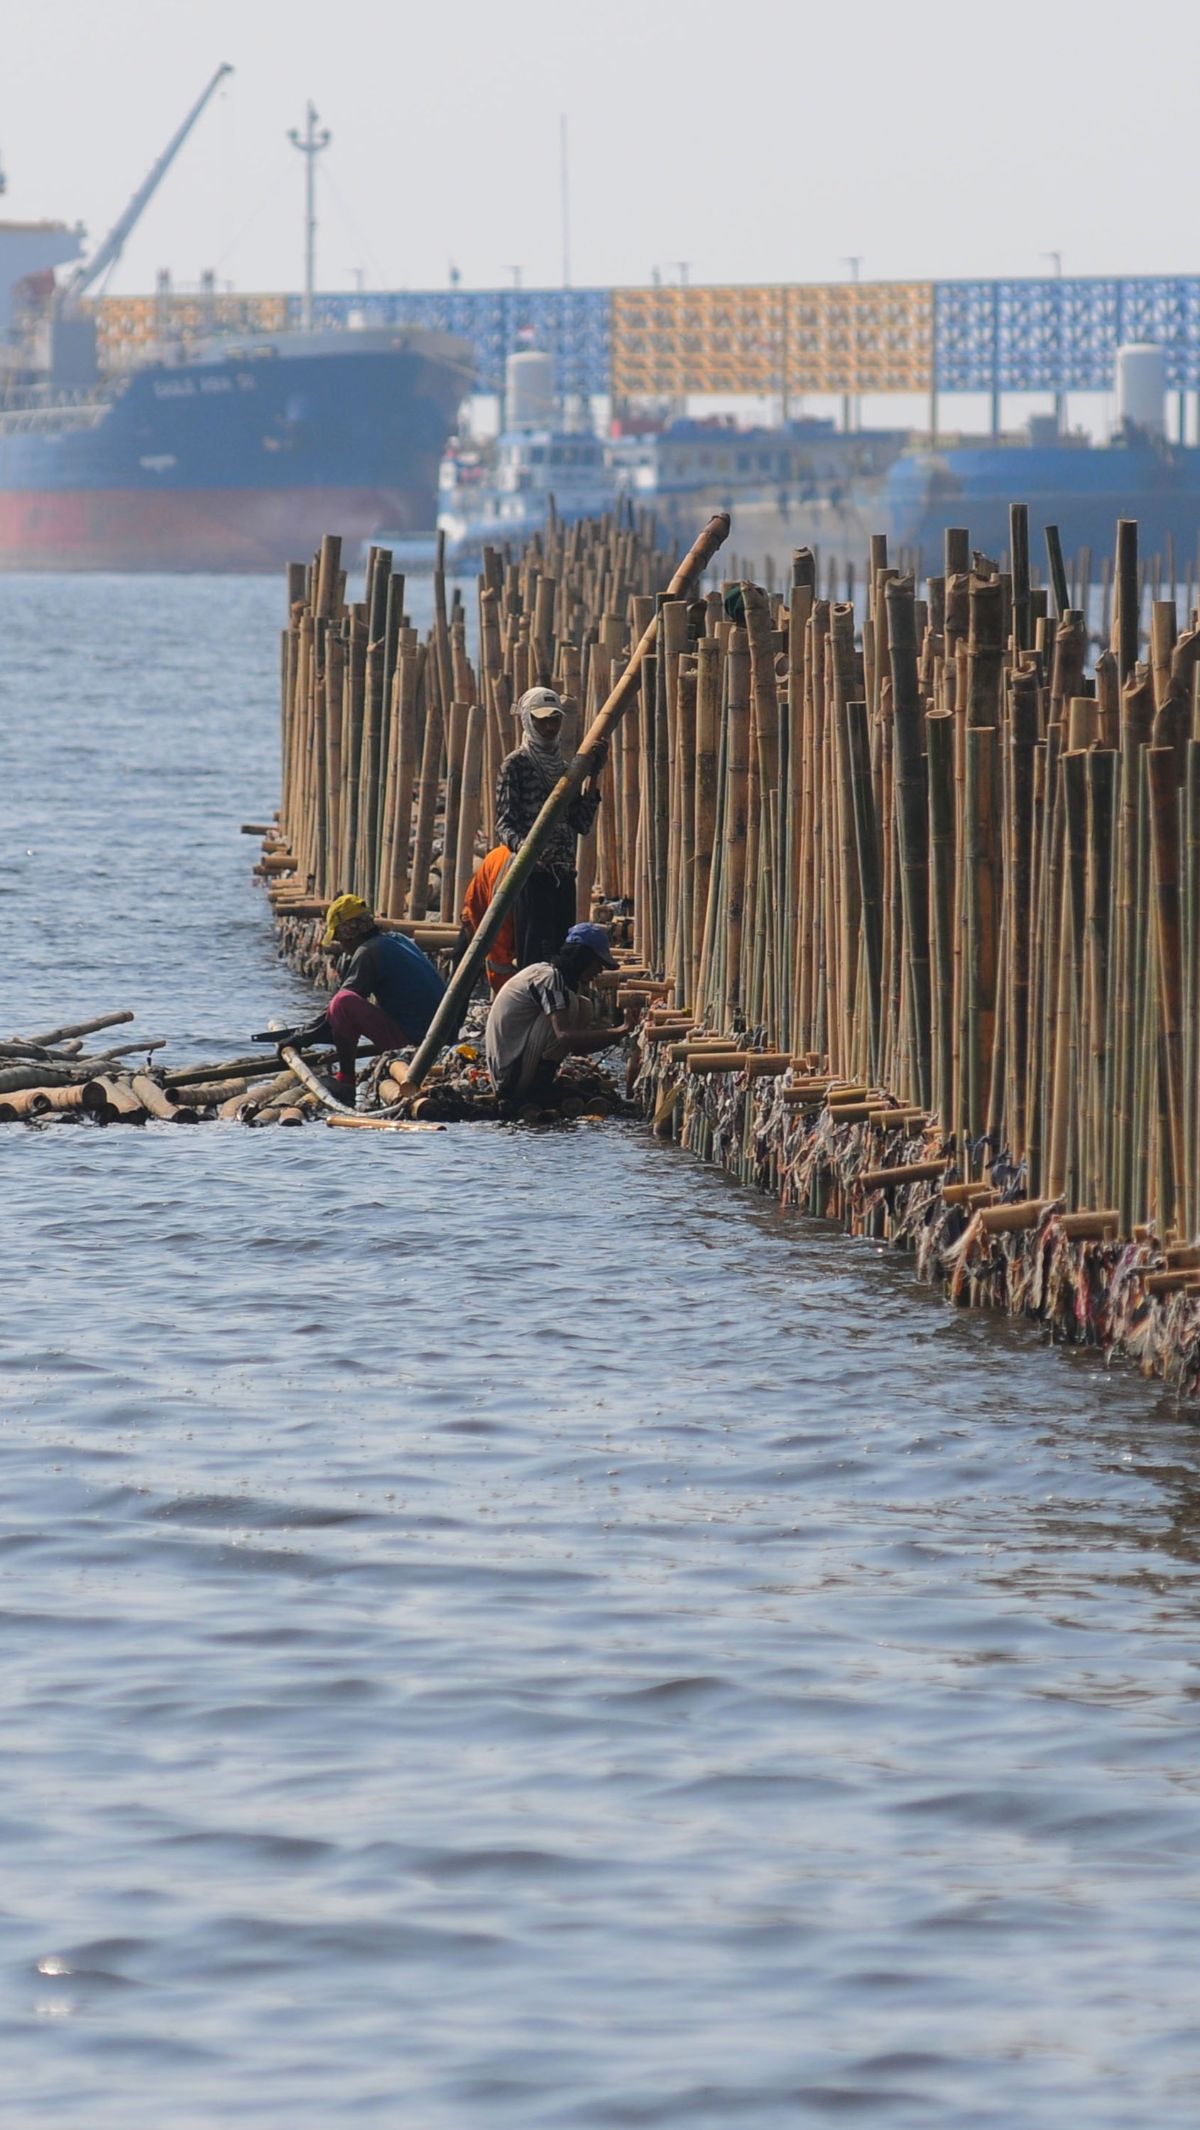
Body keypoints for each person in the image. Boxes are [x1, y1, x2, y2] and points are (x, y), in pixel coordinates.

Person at [294, 892, 446, 1101]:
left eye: (338, 938)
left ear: (350, 933)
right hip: (439, 1038)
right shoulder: (397, 939)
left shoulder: (369, 952)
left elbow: (343, 1005)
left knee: (342, 1003)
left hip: (416, 1045)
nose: (341, 946)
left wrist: (300, 1038)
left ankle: (345, 1081)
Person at [495, 684, 606, 968]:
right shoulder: (515, 765)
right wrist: (529, 851)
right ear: (528, 721)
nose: (548, 726)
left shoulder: (564, 768)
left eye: (554, 719)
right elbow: (504, 824)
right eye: (541, 719)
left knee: (560, 956)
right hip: (532, 877)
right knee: (534, 958)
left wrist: (593, 776)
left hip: (564, 874)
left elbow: (581, 823)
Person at [485, 921, 636, 1118]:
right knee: (571, 1007)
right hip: (509, 1077)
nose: (599, 971)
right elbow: (566, 1038)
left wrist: (616, 1035)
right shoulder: (549, 978)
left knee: (583, 1006)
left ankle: (540, 1083)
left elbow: (578, 1048)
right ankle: (536, 1089)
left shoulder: (553, 977)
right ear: (583, 958)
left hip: (516, 1065)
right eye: (597, 964)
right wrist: (621, 1030)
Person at [455, 843, 518, 997]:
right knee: (460, 982)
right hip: (478, 919)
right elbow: (498, 960)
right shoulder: (505, 895)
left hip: (484, 913)